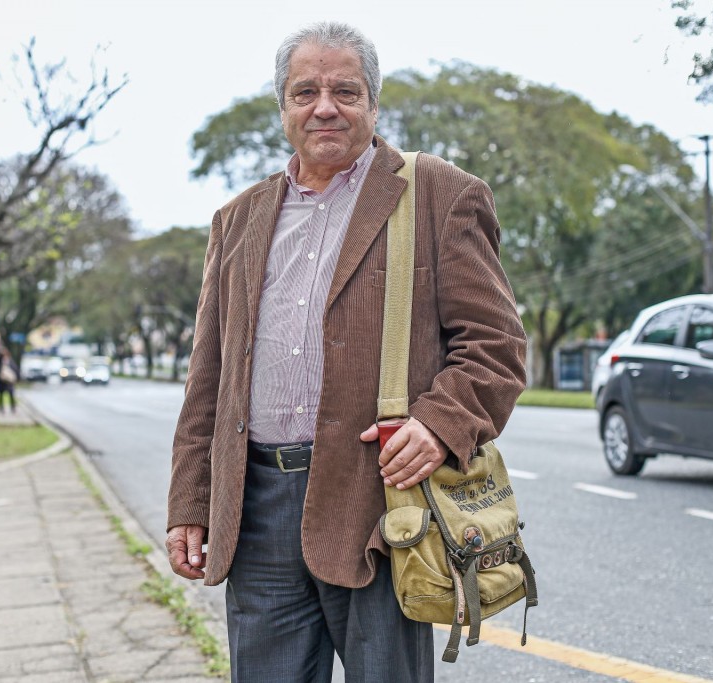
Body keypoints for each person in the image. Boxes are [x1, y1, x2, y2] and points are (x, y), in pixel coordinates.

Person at [166, 22, 527, 682]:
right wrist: (191, 503)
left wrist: (441, 425)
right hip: (257, 510)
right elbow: (209, 378)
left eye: (344, 90)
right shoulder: (238, 218)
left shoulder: (438, 194)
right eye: (305, 91)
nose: (324, 106)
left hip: (380, 506)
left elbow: (497, 347)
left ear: (373, 103)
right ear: (283, 107)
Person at [0, 345, 19, 413]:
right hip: (1, 382)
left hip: (9, 382)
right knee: (1, 396)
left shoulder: (10, 361)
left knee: (11, 395)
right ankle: (1, 408)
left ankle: (13, 408)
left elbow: (15, 369)